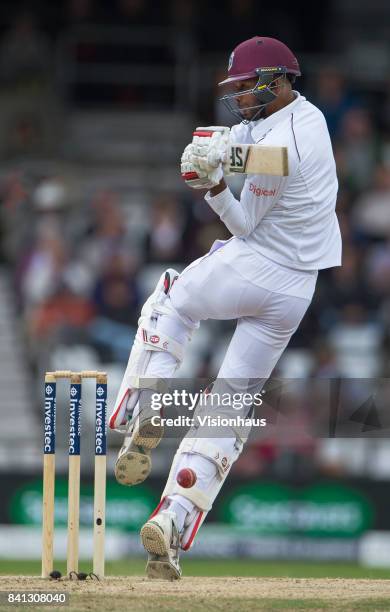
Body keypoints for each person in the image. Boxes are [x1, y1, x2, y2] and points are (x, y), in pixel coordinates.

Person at [109, 36, 342, 579]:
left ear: (274, 82)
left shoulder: (283, 149)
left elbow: (243, 223)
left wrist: (212, 187)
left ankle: (142, 408)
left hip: (257, 265)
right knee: (228, 405)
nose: (237, 96)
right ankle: (173, 518)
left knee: (171, 295)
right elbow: (242, 139)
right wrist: (209, 146)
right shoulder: (308, 118)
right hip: (295, 293)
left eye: (244, 87)